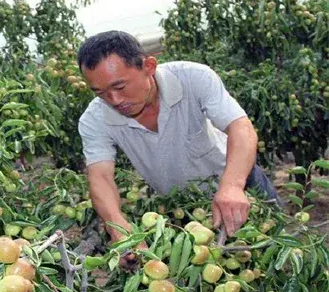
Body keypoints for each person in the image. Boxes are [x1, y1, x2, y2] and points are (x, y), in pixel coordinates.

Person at [76, 30, 281, 245]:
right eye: (100, 93)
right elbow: (100, 176)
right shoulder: (95, 119)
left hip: (240, 186)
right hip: (184, 210)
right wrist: (118, 226)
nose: (115, 100)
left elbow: (240, 127)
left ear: (149, 67)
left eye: (119, 86)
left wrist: (232, 185)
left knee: (275, 253)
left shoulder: (193, 78)